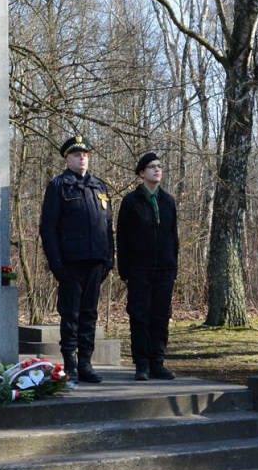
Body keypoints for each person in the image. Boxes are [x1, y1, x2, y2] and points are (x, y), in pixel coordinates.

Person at [39, 134, 114, 384]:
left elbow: (107, 226)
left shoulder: (99, 186)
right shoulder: (59, 186)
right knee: (71, 314)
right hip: (70, 262)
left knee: (89, 314)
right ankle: (70, 364)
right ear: (66, 159)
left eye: (85, 154)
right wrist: (56, 263)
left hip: (96, 260)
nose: (82, 158)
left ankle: (85, 363)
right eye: (76, 155)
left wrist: (109, 258)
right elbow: (48, 228)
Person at [116, 152, 179, 381]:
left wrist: (173, 266)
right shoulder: (131, 202)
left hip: (164, 269)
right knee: (140, 315)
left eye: (160, 166)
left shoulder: (168, 201)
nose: (157, 170)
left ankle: (157, 362)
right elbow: (122, 239)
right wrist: (124, 271)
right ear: (142, 172)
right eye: (152, 167)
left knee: (161, 315)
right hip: (138, 269)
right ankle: (141, 363)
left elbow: (174, 236)